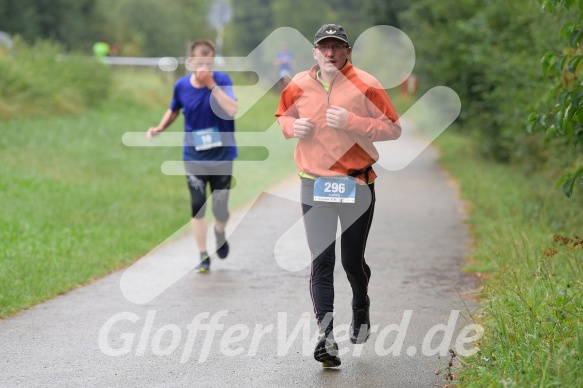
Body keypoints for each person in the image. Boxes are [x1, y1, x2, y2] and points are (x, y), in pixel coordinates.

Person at [275, 24, 401, 367]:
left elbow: (393, 127)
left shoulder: (367, 84)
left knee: (351, 262)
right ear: (314, 52)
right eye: (323, 47)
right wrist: (291, 128)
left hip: (356, 183)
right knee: (322, 260)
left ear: (347, 52)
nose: (330, 53)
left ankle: (360, 303)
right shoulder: (299, 83)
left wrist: (353, 121)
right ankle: (326, 338)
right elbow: (283, 116)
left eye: (337, 47)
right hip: (313, 183)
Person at [147, 39, 238, 273]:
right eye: (200, 62)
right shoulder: (181, 85)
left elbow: (232, 110)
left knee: (221, 209)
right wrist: (160, 127)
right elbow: (174, 108)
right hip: (193, 154)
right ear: (190, 62)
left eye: (209, 63)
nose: (205, 67)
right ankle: (202, 254)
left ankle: (219, 232)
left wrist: (212, 86)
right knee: (197, 204)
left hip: (222, 155)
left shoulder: (222, 81)